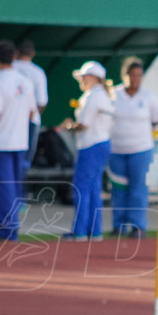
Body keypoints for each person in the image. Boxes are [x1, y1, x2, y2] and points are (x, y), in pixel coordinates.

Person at [0, 41, 37, 241]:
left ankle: (8, 230)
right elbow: (32, 112)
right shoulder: (25, 82)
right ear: (14, 57)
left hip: (0, 142)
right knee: (14, 187)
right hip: (20, 141)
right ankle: (12, 228)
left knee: (2, 187)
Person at [108, 57, 158, 237]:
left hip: (141, 149)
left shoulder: (148, 96)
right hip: (117, 150)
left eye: (139, 75)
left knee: (139, 189)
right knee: (118, 189)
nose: (135, 79)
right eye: (132, 75)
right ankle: (119, 225)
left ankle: (138, 226)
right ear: (125, 75)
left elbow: (157, 119)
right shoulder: (114, 94)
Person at [60, 61, 113, 241]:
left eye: (83, 77)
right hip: (102, 143)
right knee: (93, 189)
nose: (81, 80)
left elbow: (83, 125)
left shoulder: (92, 96)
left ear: (93, 78)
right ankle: (94, 230)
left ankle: (80, 231)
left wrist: (69, 126)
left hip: (90, 145)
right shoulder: (103, 95)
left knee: (82, 188)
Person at [13, 40, 49, 168]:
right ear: (33, 54)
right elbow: (42, 102)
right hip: (29, 121)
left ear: (17, 53)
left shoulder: (9, 69)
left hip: (9, 120)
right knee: (23, 162)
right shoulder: (38, 72)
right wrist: (31, 115)